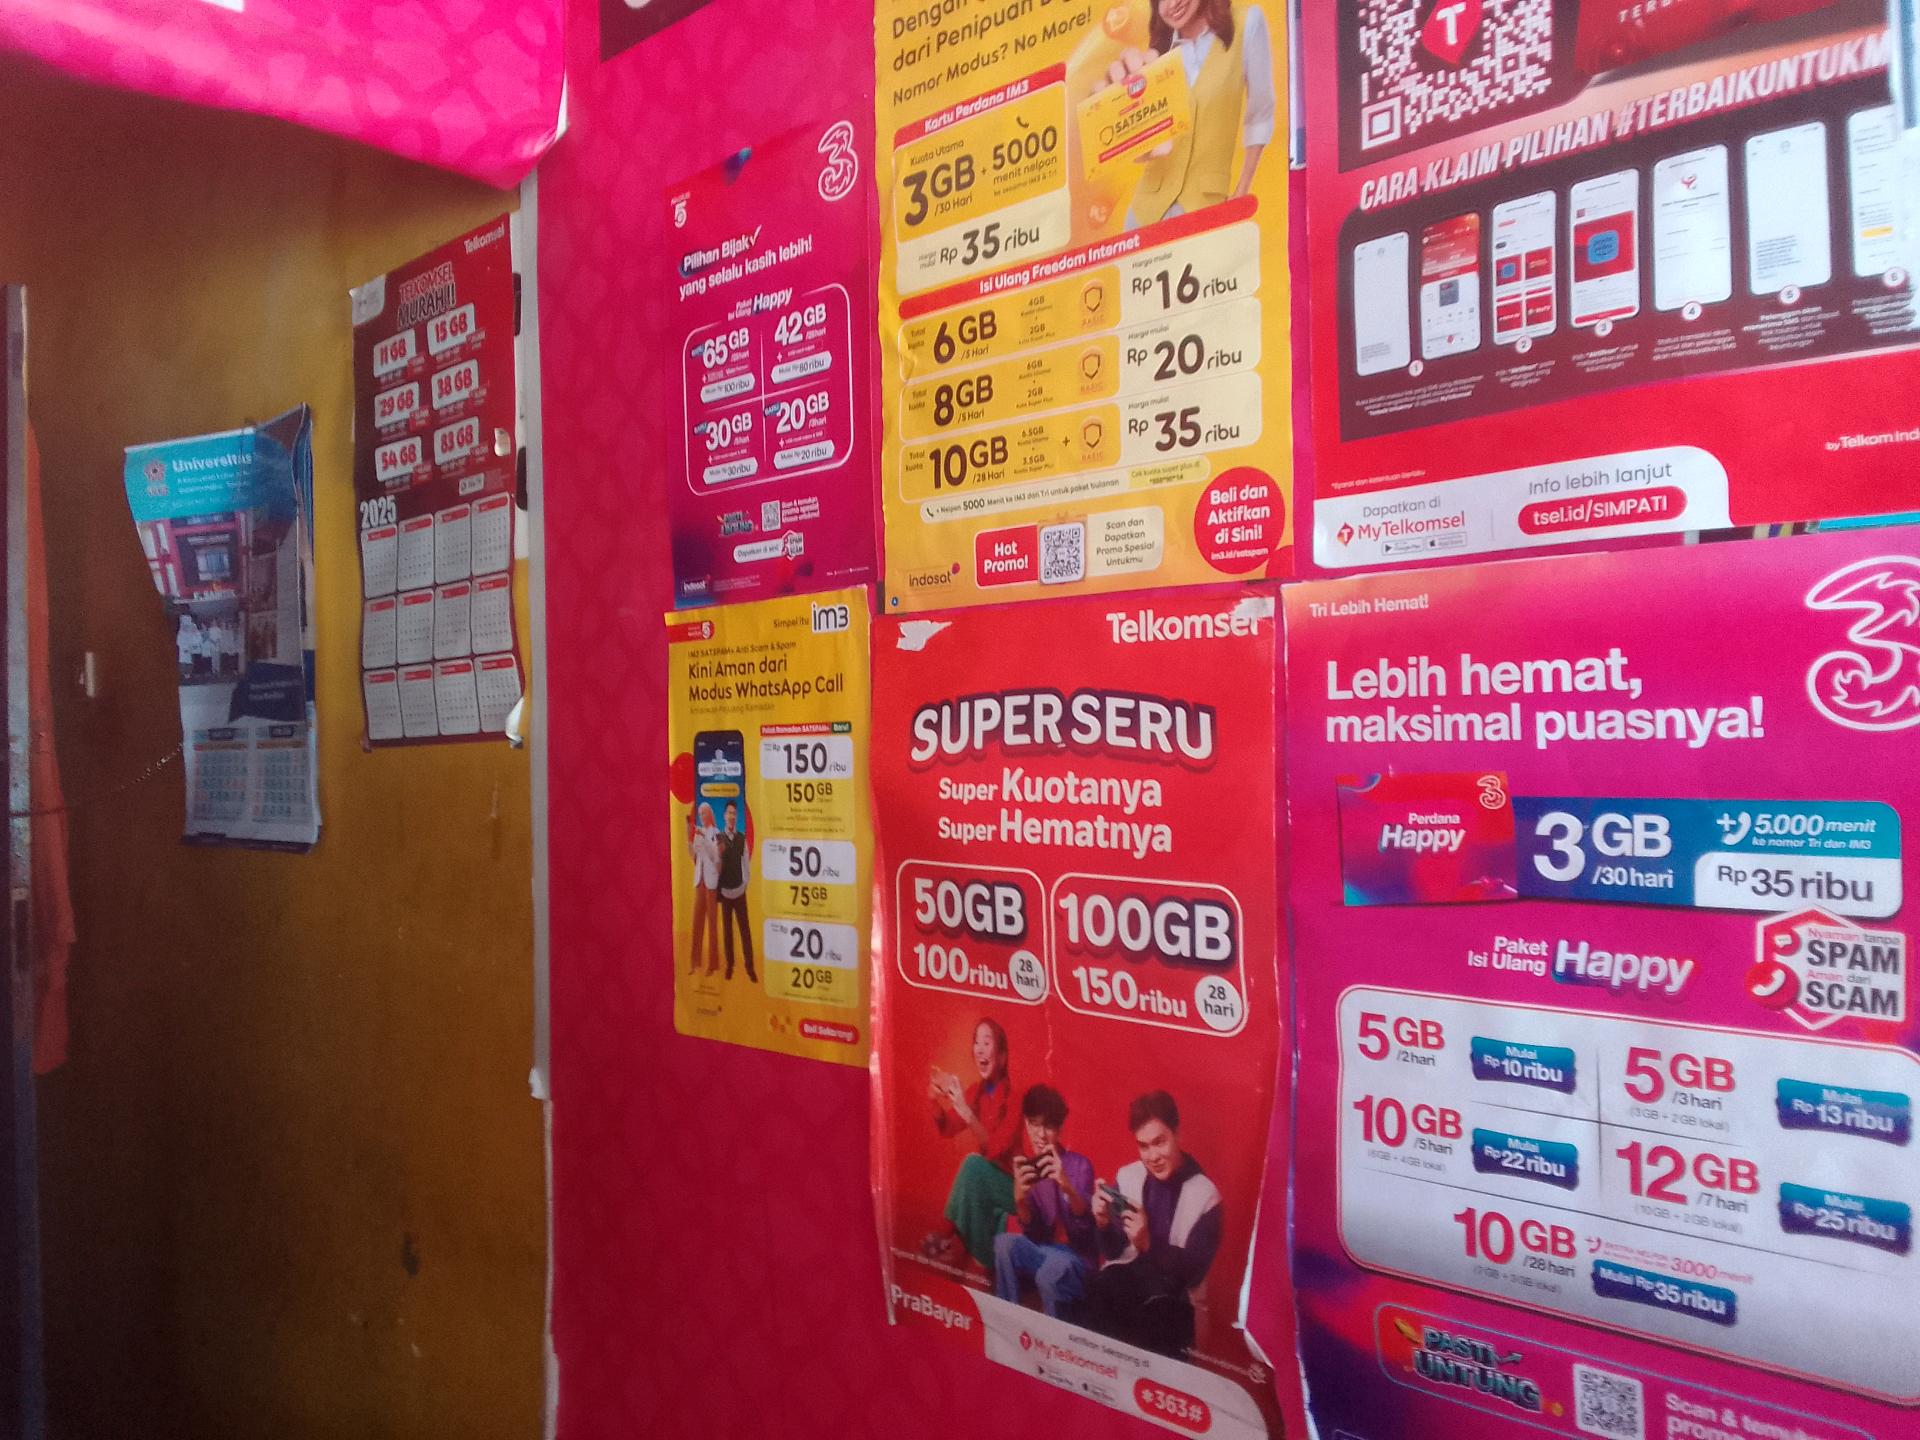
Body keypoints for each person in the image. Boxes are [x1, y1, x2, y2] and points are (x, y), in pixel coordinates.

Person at [1103, 0, 1275, 228]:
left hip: (1206, 205)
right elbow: (1143, 144)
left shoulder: (1246, 23)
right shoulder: (1158, 54)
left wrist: (1242, 191)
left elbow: (1260, 113)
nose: (1172, 4)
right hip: (1146, 211)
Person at [1085, 1090, 1222, 1355]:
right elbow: (1113, 1252)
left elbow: (1193, 1275)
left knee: (1157, 1314)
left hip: (1176, 1303)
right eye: (1144, 1146)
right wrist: (1102, 1223)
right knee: (1100, 1288)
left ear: (1177, 1134)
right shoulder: (1128, 1175)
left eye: (1159, 1142)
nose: (1152, 1156)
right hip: (1131, 1286)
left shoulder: (1207, 1196)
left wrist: (1148, 1243)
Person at [921, 1019, 1019, 1269]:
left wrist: (966, 1112)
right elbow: (947, 1128)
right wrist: (934, 1100)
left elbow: (995, 1149)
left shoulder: (1016, 1098)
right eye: (976, 1042)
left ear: (1002, 1056)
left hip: (1016, 1191)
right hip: (986, 1185)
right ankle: (955, 1243)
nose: (979, 1049)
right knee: (974, 1170)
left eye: (987, 1042)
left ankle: (945, 1235)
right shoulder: (976, 1091)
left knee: (973, 1165)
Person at [992, 1084, 1096, 1317]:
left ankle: (1052, 1336)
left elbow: (1085, 1230)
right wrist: (1020, 1200)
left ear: (1059, 1129)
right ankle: (1007, 1318)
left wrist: (1065, 1185)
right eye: (1034, 1124)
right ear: (1026, 1124)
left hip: (1076, 1258)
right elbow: (1035, 1234)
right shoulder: (1031, 1169)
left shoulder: (1080, 1165)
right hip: (1044, 1250)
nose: (1040, 1135)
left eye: (1048, 1126)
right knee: (1003, 1243)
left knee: (1049, 1272)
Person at [716, 802, 754, 982]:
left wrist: (744, 883)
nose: (731, 816)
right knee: (727, 932)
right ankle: (729, 966)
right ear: (724, 816)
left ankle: (750, 967)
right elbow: (715, 865)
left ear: (736, 817)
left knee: (745, 930)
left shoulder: (741, 839)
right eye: (729, 813)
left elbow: (746, 863)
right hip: (725, 892)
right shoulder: (718, 839)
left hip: (739, 891)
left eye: (734, 813)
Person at [687, 802, 720, 975]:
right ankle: (695, 961)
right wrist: (689, 841)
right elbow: (695, 857)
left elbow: (715, 856)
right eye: (700, 814)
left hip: (711, 882)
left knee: (712, 923)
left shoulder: (716, 833)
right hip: (699, 880)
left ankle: (712, 964)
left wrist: (704, 838)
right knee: (696, 921)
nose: (702, 816)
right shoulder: (699, 834)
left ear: (710, 815)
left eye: (704, 813)